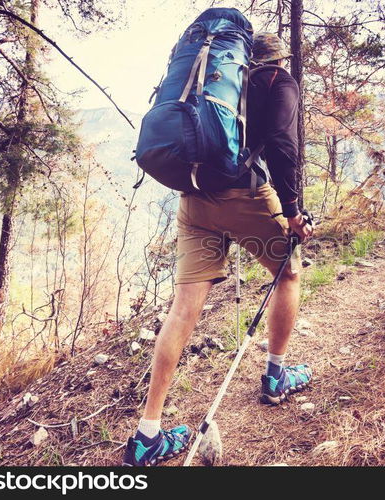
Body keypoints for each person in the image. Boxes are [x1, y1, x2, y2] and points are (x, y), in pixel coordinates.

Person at [122, 33, 314, 466]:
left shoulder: (215, 84)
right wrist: (293, 211)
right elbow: (283, 148)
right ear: (279, 60)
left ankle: (147, 435)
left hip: (193, 200)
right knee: (288, 272)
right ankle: (276, 375)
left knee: (184, 305)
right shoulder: (277, 82)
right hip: (245, 198)